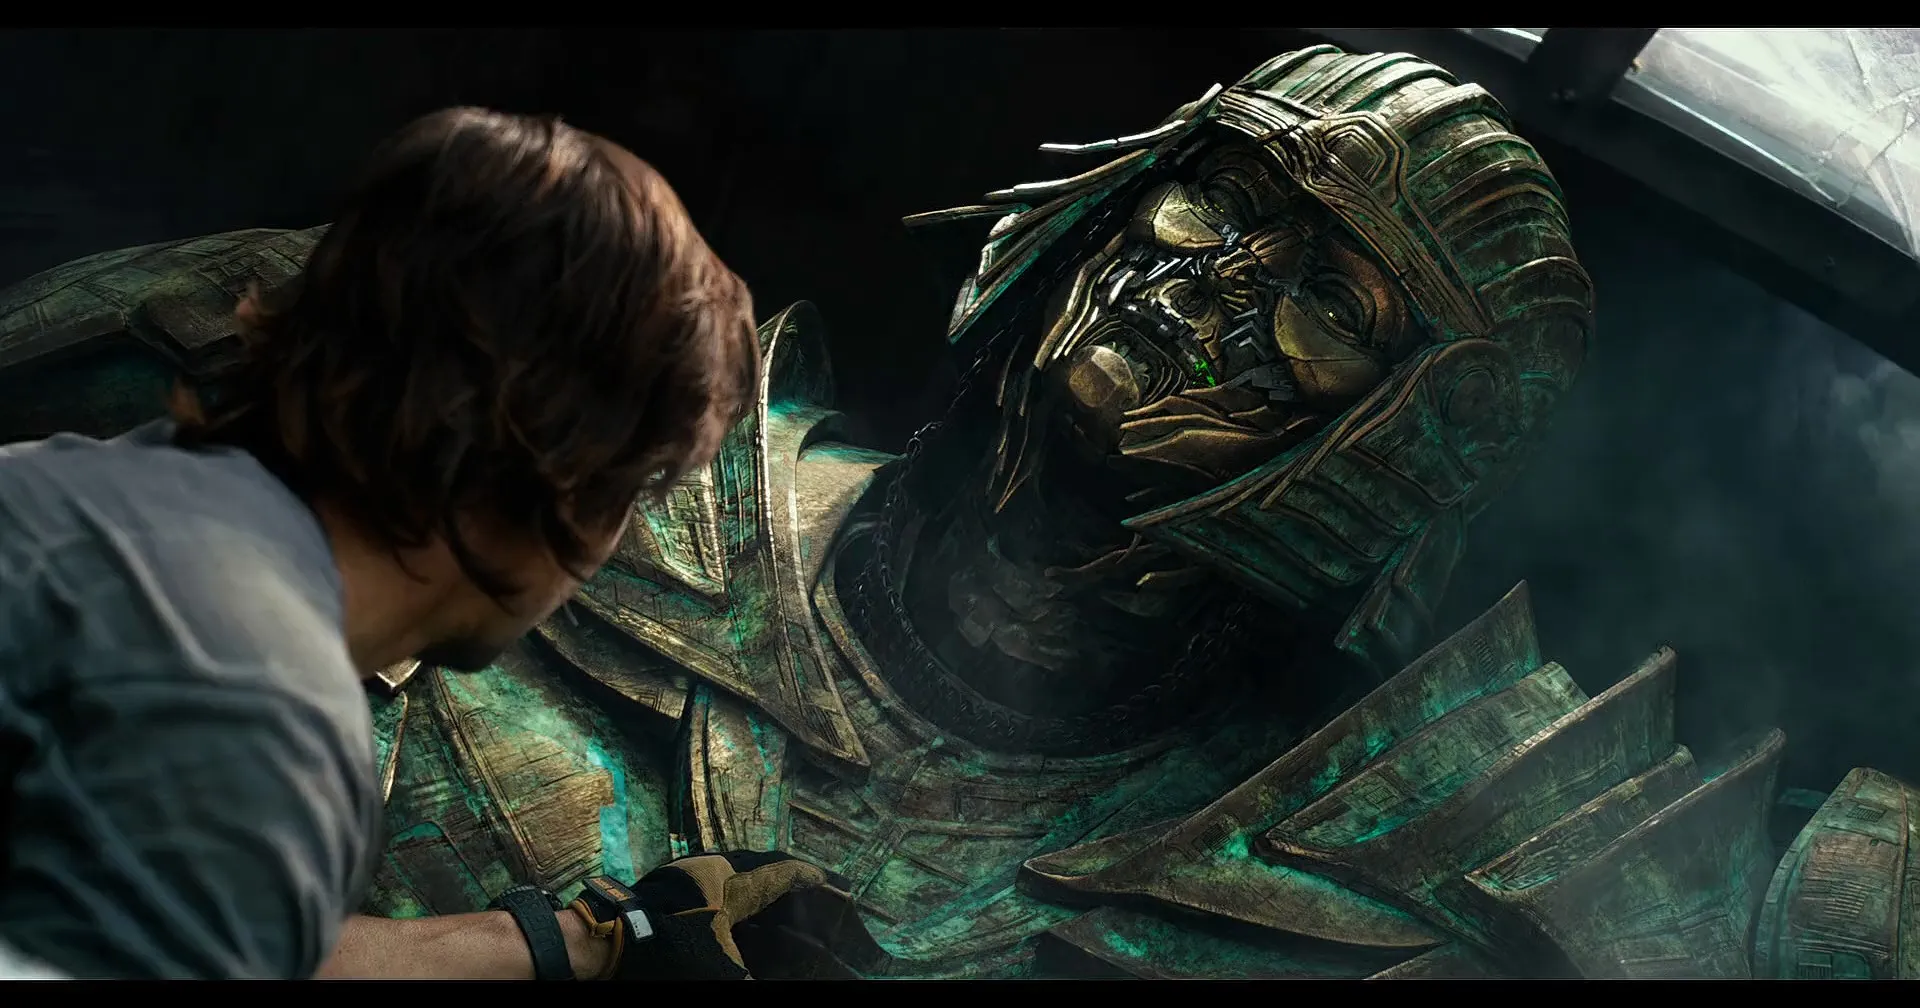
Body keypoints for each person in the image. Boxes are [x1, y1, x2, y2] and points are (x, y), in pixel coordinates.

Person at [3, 44, 1910, 980]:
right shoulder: (571, 484)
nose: (1196, 287)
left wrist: (574, 939)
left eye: (1323, 299)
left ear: (1421, 440)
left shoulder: (1483, 842)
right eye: (1213, 202)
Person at [0, 106, 833, 980]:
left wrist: (592, 936)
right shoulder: (262, 728)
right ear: (569, 487)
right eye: (636, 490)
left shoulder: (61, 494)